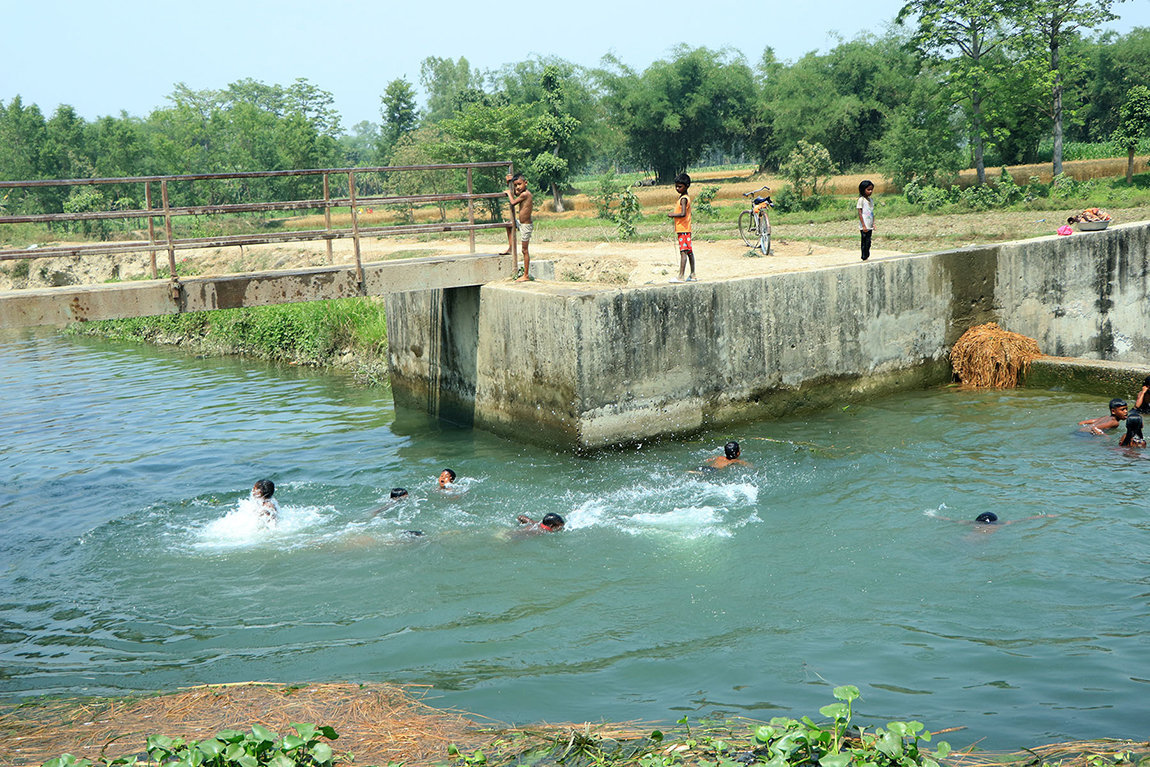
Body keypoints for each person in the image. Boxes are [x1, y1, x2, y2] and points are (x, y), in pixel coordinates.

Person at [501, 173, 534, 282]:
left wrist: (508, 193)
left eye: (519, 184)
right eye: (515, 185)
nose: (517, 187)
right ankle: (510, 247)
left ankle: (526, 275)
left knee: (524, 250)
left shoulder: (526, 194)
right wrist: (509, 183)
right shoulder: (522, 193)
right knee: (509, 224)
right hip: (521, 222)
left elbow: (513, 202)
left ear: (525, 183)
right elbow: (515, 193)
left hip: (526, 226)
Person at [668, 173, 696, 283]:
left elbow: (683, 213)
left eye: (680, 186)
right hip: (686, 229)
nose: (677, 189)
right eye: (676, 186)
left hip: (683, 229)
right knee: (689, 252)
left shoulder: (683, 199)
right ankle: (693, 274)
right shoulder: (685, 197)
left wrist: (672, 214)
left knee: (683, 252)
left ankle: (681, 276)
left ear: (687, 186)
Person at [856, 179, 875, 262]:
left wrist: (873, 223)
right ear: (863, 190)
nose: (870, 191)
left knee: (869, 242)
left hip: (869, 225)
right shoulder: (861, 200)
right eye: (868, 190)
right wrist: (863, 225)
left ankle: (867, 256)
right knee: (864, 242)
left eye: (871, 190)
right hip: (864, 225)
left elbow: (871, 212)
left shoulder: (871, 200)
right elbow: (860, 213)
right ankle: (864, 257)